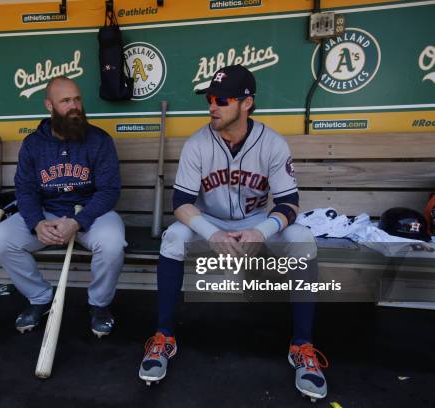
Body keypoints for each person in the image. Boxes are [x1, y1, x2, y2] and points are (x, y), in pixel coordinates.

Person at [137, 65, 329, 401]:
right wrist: (211, 234)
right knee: (173, 237)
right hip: (208, 222)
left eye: (222, 100)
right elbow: (181, 203)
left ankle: (302, 345)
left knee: (302, 239)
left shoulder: (272, 143)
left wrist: (261, 231)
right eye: (210, 98)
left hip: (256, 221)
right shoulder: (197, 143)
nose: (212, 105)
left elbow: (289, 203)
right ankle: (163, 337)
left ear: (246, 103)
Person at [0, 76, 125, 338]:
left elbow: (109, 191)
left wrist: (78, 221)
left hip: (91, 213)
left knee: (112, 244)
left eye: (77, 99)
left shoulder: (99, 140)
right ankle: (39, 297)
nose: (74, 106)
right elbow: (25, 190)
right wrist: (36, 223)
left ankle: (99, 305)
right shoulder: (33, 144)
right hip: (47, 213)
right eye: (66, 101)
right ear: (49, 106)